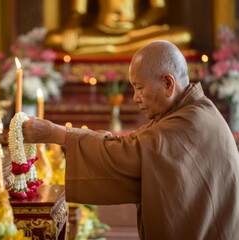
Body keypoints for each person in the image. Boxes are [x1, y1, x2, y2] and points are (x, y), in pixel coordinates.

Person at [22, 40, 239, 239]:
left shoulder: (188, 123)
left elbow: (125, 155)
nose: (135, 98)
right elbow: (133, 148)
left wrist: (55, 134)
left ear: (167, 84)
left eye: (140, 88)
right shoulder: (191, 112)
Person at [44, 0, 192, 55]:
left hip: (134, 31)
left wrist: (137, 25)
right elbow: (78, 12)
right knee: (54, 39)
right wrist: (71, 27)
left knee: (184, 35)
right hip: (101, 32)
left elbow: (159, 8)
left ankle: (113, 47)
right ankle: (120, 46)